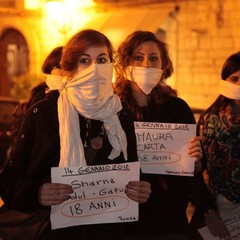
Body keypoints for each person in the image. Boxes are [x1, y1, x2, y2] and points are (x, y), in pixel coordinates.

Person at [0, 29, 151, 240]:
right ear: (70, 68)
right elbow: (8, 180)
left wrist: (140, 190)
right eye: (84, 61)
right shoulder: (43, 113)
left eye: (101, 60)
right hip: (53, 234)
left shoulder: (120, 113)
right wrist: (37, 193)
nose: (95, 69)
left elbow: (132, 172)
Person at [114, 30, 211, 240]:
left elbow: (191, 169)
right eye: (138, 57)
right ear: (125, 64)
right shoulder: (110, 110)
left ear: (163, 66)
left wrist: (194, 164)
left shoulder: (177, 108)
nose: (146, 64)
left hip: (168, 223)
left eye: (153, 58)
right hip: (121, 224)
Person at [198, 52, 240, 239]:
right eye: (234, 79)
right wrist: (208, 209)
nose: (239, 84)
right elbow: (198, 168)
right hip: (220, 205)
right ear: (225, 81)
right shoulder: (209, 119)